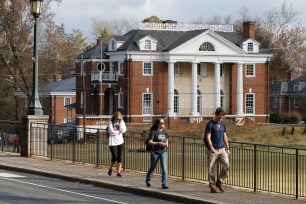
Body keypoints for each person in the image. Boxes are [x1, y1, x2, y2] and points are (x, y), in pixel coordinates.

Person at [205, 107, 230, 193]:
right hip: (213, 150)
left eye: (223, 115)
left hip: (222, 148)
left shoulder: (222, 124)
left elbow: (224, 136)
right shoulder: (210, 124)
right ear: (216, 114)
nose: (222, 117)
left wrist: (227, 148)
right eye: (221, 115)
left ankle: (220, 181)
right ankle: (212, 186)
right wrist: (212, 148)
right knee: (211, 168)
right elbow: (208, 137)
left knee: (226, 165)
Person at [145, 118, 169, 189]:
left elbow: (167, 139)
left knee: (164, 168)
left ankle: (164, 184)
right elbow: (150, 142)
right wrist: (159, 143)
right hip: (155, 152)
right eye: (161, 123)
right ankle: (148, 180)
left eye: (163, 123)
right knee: (152, 167)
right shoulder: (154, 132)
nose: (163, 124)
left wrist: (166, 144)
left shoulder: (164, 132)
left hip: (163, 152)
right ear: (158, 124)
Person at [107, 111, 126, 177]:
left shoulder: (122, 122)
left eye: (119, 119)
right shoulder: (110, 122)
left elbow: (123, 130)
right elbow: (111, 132)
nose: (118, 120)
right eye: (117, 119)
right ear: (114, 117)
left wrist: (120, 123)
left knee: (119, 157)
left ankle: (118, 172)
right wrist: (119, 131)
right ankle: (110, 168)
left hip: (120, 141)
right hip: (112, 141)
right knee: (115, 156)